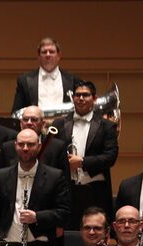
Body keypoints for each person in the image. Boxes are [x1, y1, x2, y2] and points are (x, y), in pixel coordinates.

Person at [51, 80, 119, 228]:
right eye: (78, 95)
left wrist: (82, 162)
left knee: (96, 233)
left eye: (86, 95)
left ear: (94, 99)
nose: (81, 98)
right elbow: (52, 156)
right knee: (68, 234)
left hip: (95, 192)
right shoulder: (59, 124)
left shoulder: (107, 126)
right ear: (73, 98)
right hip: (66, 191)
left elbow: (110, 157)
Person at [11, 37, 78, 113]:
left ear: (59, 55)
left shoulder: (72, 80)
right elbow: (16, 111)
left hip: (64, 124)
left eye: (51, 52)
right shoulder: (24, 80)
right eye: (44, 52)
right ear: (39, 56)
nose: (48, 55)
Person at [0, 105, 69, 175]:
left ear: (43, 124)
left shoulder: (57, 147)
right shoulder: (7, 148)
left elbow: (64, 180)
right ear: (20, 123)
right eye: (25, 119)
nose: (29, 123)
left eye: (34, 119)